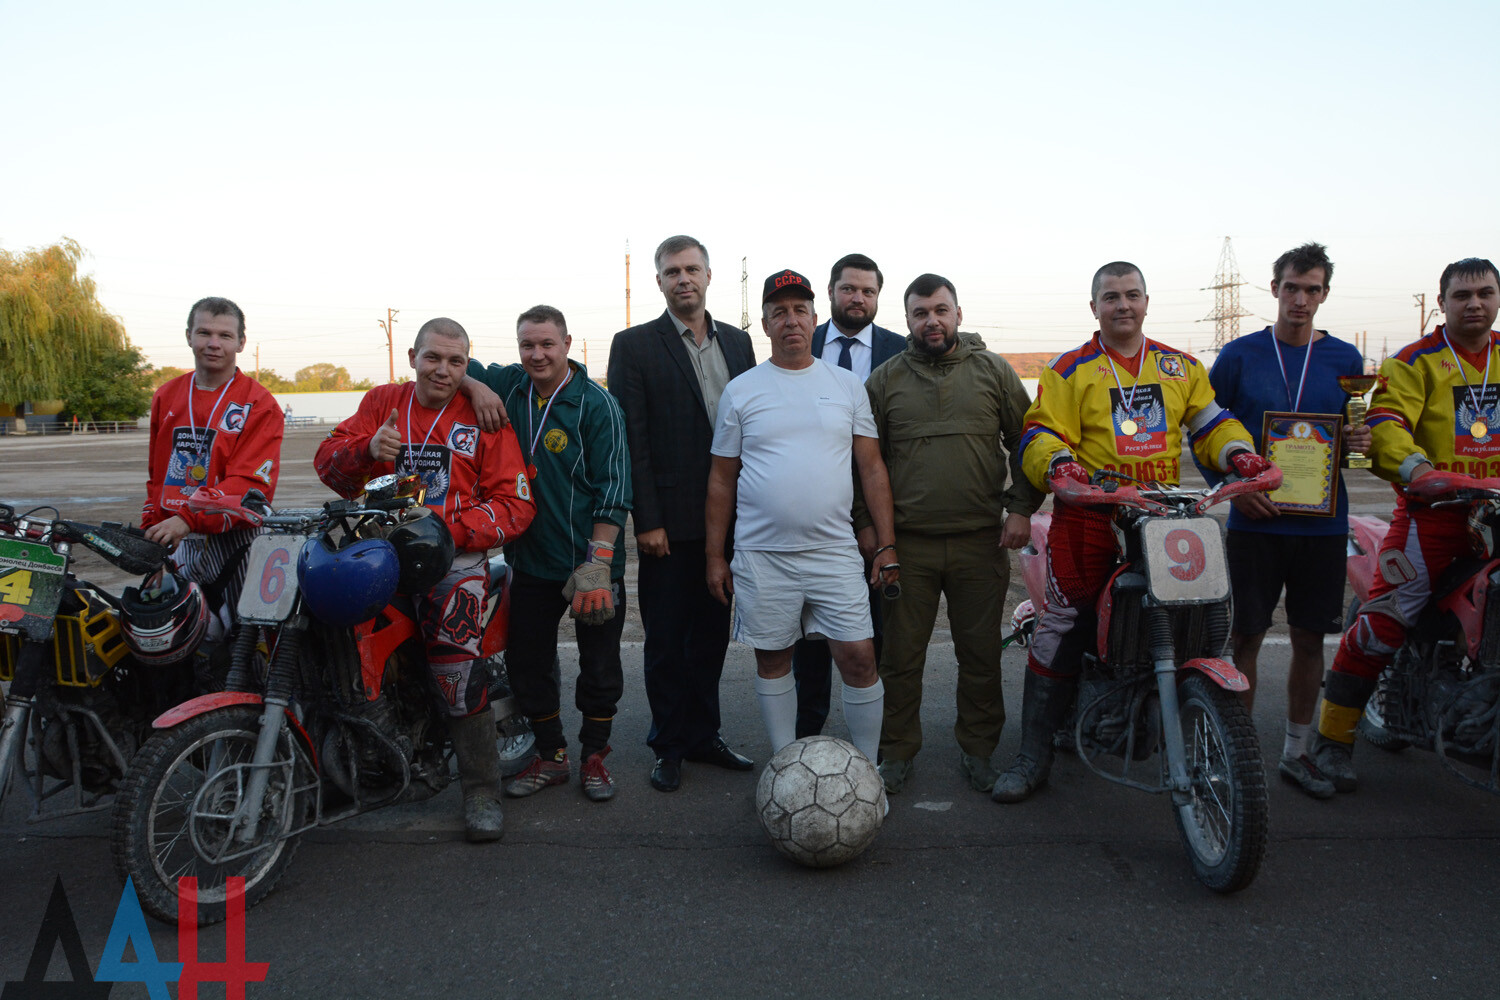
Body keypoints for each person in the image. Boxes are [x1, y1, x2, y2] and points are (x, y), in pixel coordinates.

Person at [993, 262, 1270, 803]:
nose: (1123, 305)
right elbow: (1039, 433)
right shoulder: (1070, 370)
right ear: (1093, 307)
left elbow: (1212, 423)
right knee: (1065, 623)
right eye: (1111, 297)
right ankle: (1032, 755)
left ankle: (1190, 720)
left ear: (1147, 301)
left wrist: (1239, 453)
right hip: (1092, 515)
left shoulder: (1180, 366)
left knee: (1201, 612)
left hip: (1165, 516)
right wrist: (1059, 468)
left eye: (1132, 295)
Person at [315, 317, 535, 841]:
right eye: (433, 358)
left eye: (456, 362)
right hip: (377, 558)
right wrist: (366, 451)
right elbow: (328, 465)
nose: (442, 370)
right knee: (329, 643)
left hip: (453, 562)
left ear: (467, 364)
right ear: (412, 355)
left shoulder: (485, 415)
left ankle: (482, 790)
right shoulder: (380, 403)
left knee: (455, 669)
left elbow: (516, 505)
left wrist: (446, 532)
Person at [1310, 257, 1500, 794]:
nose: (1475, 304)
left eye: (1485, 293)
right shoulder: (1414, 362)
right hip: (1436, 518)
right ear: (1442, 302)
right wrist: (1422, 471)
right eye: (1462, 295)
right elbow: (1385, 423)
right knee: (1384, 622)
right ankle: (1331, 741)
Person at [855, 273, 1043, 795]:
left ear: (958, 313)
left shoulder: (995, 372)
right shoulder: (886, 380)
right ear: (908, 320)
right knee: (900, 656)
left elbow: (1028, 443)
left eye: (940, 310)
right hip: (906, 547)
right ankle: (895, 753)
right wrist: (867, 526)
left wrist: (1021, 508)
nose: (931, 321)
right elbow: (861, 462)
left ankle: (979, 751)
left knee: (980, 654)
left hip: (980, 543)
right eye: (920, 313)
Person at [704, 269, 898, 763]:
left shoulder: (848, 385)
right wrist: (714, 556)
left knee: (858, 657)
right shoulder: (742, 391)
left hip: (834, 551)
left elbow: (871, 468)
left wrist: (888, 546)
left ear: (814, 318)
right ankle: (785, 767)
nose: (790, 320)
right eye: (779, 312)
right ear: (765, 325)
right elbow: (722, 478)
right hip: (762, 555)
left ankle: (870, 767)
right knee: (774, 659)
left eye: (799, 310)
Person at [1196, 243, 1368, 799]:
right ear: (1274, 289)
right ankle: (1240, 758)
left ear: (1324, 294)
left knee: (1310, 637)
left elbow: (1351, 437)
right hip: (1256, 521)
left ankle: (1297, 753)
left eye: (1312, 289)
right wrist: (1231, 491)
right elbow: (1204, 432)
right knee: (1246, 634)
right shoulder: (1240, 355)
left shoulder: (1345, 361)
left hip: (1322, 522)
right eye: (1291, 287)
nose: (1300, 299)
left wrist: (1361, 440)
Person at [607, 235, 758, 792]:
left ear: (709, 276)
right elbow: (632, 441)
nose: (683, 279)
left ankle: (704, 735)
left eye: (692, 269)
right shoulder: (634, 345)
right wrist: (645, 520)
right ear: (660, 282)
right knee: (668, 639)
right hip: (667, 525)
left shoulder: (739, 343)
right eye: (672, 272)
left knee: (713, 635)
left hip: (733, 523)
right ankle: (668, 744)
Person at [464, 305, 632, 803]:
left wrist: (599, 565)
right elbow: (453, 360)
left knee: (599, 666)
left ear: (568, 344)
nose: (537, 355)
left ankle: (595, 756)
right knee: (527, 662)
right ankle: (552, 755)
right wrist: (475, 386)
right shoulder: (512, 387)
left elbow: (615, 489)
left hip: (588, 564)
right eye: (527, 346)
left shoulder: (597, 405)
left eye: (547, 345)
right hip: (530, 561)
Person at [789, 253, 906, 740]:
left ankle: (877, 741)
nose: (858, 298)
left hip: (880, 512)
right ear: (831, 293)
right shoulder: (797, 343)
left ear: (878, 298)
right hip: (818, 515)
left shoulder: (901, 351)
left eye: (868, 291)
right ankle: (808, 734)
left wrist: (883, 529)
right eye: (848, 289)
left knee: (876, 632)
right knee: (810, 635)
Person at [142, 296, 284, 640]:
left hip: (237, 541)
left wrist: (188, 518)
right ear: (189, 336)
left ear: (241, 343)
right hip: (177, 538)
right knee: (176, 638)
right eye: (204, 333)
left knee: (249, 641)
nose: (213, 344)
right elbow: (158, 475)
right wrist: (152, 540)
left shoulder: (260, 403)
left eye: (224, 335)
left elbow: (250, 486)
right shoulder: (167, 395)